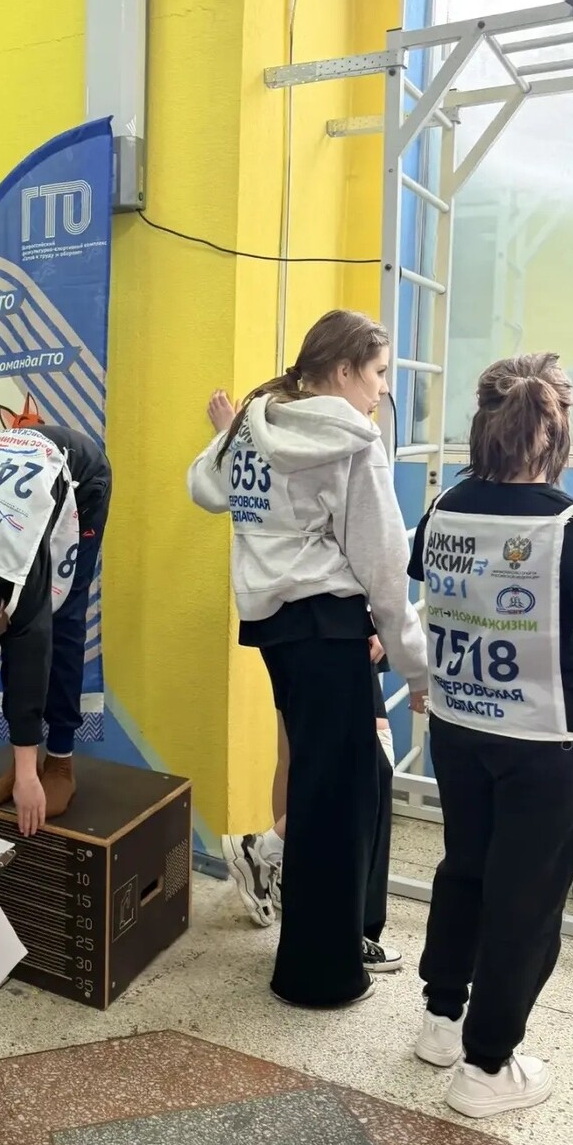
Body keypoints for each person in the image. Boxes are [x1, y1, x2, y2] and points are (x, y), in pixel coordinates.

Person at [188, 309, 427, 1008]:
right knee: (336, 801)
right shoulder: (351, 439)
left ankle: (331, 949)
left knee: (332, 785)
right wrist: (416, 668)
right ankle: (320, 976)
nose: (382, 389)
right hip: (328, 628)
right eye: (378, 372)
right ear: (344, 369)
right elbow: (384, 567)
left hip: (276, 628)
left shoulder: (257, 422)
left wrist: (224, 434)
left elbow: (204, 488)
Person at [410, 353, 573, 1118]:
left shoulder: (443, 508)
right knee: (526, 900)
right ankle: (487, 1065)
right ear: (555, 433)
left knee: (464, 869)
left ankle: (440, 1019)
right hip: (545, 742)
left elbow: (433, 588)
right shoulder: (569, 526)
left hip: (458, 725)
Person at [0, 422, 112, 836]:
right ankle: (22, 761)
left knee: (60, 618)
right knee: (22, 628)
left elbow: (30, 655)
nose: (5, 632)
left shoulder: (20, 573)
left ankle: (59, 762)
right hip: (0, 489)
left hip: (79, 475)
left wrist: (30, 779)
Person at [222, 636, 397, 959]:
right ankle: (263, 850)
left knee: (294, 751)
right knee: (367, 764)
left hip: (287, 627)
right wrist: (379, 622)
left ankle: (282, 866)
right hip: (338, 627)